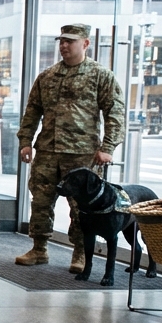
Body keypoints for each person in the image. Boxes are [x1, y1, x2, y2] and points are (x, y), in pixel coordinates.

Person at [16, 23, 125, 270]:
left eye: (70, 41)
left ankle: (81, 252)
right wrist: (26, 141)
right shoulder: (47, 76)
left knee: (81, 207)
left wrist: (108, 146)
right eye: (61, 41)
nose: (64, 46)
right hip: (47, 151)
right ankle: (39, 248)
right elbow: (32, 111)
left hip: (83, 154)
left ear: (85, 43)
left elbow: (115, 112)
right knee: (41, 201)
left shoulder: (100, 75)